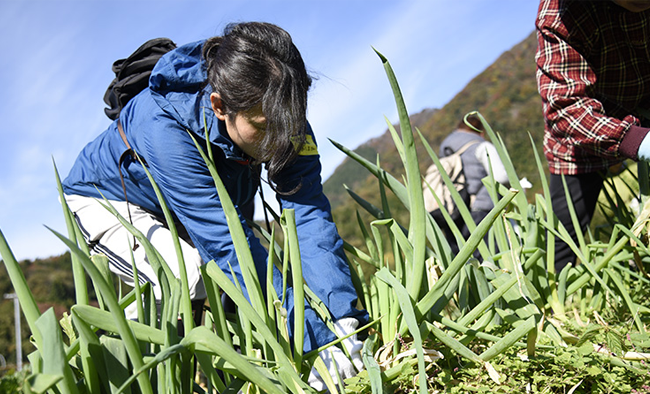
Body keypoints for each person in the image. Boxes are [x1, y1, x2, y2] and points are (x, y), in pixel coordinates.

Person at [61, 22, 369, 387]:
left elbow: (308, 214)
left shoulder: (285, 116)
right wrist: (316, 343)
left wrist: (341, 318)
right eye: (265, 126)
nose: (283, 139)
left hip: (195, 204)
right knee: (191, 277)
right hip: (110, 200)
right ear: (220, 106)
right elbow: (227, 244)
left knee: (251, 276)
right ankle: (130, 373)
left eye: (293, 122)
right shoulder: (161, 126)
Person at [535, 0, 650, 272]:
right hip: (585, 131)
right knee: (562, 239)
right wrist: (636, 141)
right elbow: (565, 107)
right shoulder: (559, 15)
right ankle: (553, 305)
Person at [436, 113, 510, 252]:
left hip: (453, 215)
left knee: (468, 266)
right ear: (480, 132)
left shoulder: (446, 151)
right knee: (493, 262)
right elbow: (501, 177)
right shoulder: (481, 146)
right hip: (481, 210)